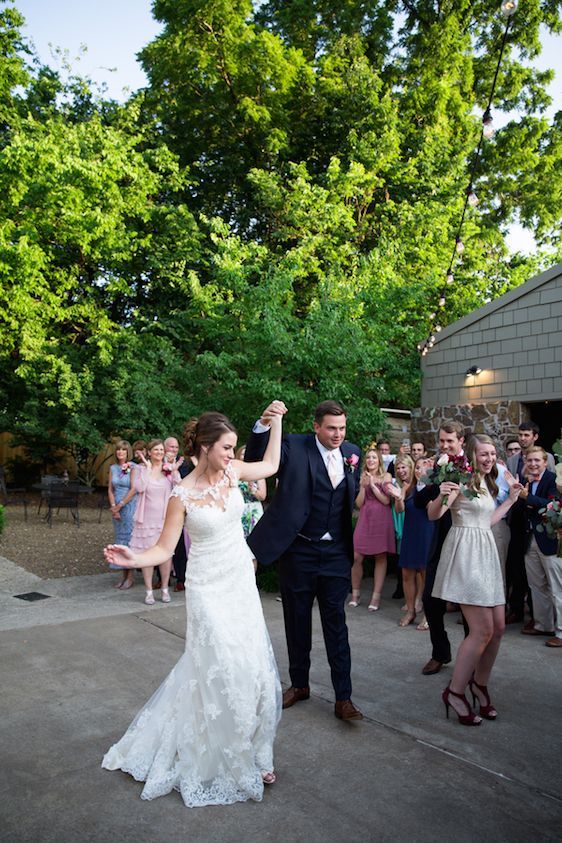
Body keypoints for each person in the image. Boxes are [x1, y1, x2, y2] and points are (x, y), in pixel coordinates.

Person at [102, 405, 285, 806]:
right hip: (206, 588)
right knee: (217, 663)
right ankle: (219, 751)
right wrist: (133, 558)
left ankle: (255, 750)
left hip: (239, 582)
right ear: (204, 447)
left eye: (234, 448)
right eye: (226, 448)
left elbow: (271, 464)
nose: (231, 455)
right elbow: (165, 547)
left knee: (250, 665)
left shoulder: (235, 472)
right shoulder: (180, 494)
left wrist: (277, 422)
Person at [244, 399, 363, 721]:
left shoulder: (353, 452)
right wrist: (263, 425)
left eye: (341, 428)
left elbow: (348, 497)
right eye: (331, 428)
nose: (338, 435)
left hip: (336, 552)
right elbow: (256, 460)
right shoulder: (293, 446)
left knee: (336, 624)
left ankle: (344, 697)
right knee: (296, 622)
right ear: (316, 427)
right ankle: (299, 684)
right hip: (299, 551)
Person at [429, 435, 522, 725]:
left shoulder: (486, 482)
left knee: (499, 628)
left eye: (493, 454)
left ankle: (479, 684)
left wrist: (511, 500)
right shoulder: (461, 479)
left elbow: (487, 520)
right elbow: (435, 514)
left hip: (485, 551)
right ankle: (455, 692)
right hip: (466, 554)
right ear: (472, 454)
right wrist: (443, 493)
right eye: (484, 454)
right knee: (481, 630)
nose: (490, 458)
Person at [415, 421, 466, 675]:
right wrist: (435, 487)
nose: (445, 445)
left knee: (469, 604)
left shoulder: (474, 466)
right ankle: (440, 652)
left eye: (450, 441)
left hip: (468, 543)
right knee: (430, 601)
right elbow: (418, 501)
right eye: (442, 441)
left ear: (461, 442)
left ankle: (472, 659)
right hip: (442, 540)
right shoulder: (438, 467)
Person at [518, 446, 561, 647]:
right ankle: (543, 625)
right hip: (530, 539)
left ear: (545, 462)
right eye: (530, 460)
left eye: (537, 460)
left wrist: (528, 497)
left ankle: (561, 632)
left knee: (557, 587)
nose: (533, 464)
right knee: (536, 585)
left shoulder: (553, 480)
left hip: (550, 540)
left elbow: (553, 505)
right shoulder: (526, 479)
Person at [131, 439, 181, 605]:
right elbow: (139, 488)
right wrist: (148, 469)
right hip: (146, 520)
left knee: (166, 555)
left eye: (161, 450)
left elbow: (179, 486)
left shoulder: (169, 469)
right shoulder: (141, 469)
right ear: (150, 452)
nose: (159, 452)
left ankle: (165, 588)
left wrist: (174, 472)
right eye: (156, 450)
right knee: (148, 556)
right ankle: (148, 591)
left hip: (165, 519)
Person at [392, 457, 436, 628]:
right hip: (410, 534)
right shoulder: (408, 488)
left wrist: (426, 484)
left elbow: (431, 509)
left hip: (426, 533)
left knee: (425, 575)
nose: (419, 471)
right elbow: (399, 510)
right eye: (417, 467)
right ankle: (410, 611)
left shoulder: (432, 489)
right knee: (407, 574)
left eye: (424, 468)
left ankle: (427, 614)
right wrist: (398, 498)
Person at [350, 447, 395, 612]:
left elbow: (385, 501)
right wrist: (363, 486)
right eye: (368, 458)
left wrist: (373, 486)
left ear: (379, 461)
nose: (370, 460)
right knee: (355, 556)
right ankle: (355, 594)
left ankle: (376, 597)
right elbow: (359, 504)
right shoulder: (362, 477)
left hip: (382, 518)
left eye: (374, 458)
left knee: (380, 556)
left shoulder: (386, 476)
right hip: (365, 518)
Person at [107, 440, 138, 590]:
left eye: (123, 450)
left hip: (128, 505)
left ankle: (130, 576)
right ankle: (123, 575)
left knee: (128, 539)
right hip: (116, 507)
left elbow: (133, 489)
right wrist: (114, 507)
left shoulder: (133, 467)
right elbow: (110, 489)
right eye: (118, 450)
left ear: (128, 452)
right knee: (120, 540)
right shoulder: (112, 468)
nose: (120, 452)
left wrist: (120, 505)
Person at [236, 446, 267, 538]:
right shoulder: (232, 472)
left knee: (255, 538)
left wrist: (253, 491)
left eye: (247, 454)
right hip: (237, 510)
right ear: (238, 456)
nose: (245, 456)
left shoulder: (258, 473)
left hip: (253, 510)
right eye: (242, 454)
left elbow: (263, 496)